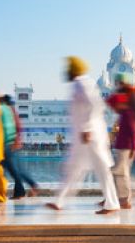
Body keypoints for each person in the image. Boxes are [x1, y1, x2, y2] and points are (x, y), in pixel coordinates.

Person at [46, 56, 120, 214]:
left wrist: (87, 128)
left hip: (91, 135)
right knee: (74, 168)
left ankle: (112, 204)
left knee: (102, 169)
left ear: (73, 70)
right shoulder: (78, 84)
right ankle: (59, 201)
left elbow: (95, 104)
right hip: (84, 136)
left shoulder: (82, 83)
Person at [106, 73, 135, 209]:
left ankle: (124, 200)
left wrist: (134, 147)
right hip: (122, 146)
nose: (113, 109)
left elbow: (133, 131)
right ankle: (114, 198)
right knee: (119, 172)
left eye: (114, 106)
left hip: (126, 147)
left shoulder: (127, 113)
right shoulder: (124, 113)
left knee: (119, 172)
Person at [3, 95, 39, 198]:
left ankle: (29, 185)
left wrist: (15, 141)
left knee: (14, 170)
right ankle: (20, 192)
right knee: (16, 169)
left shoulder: (8, 112)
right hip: (13, 144)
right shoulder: (13, 112)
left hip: (10, 145)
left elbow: (16, 128)